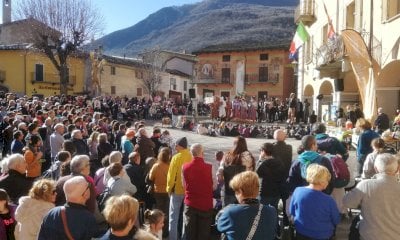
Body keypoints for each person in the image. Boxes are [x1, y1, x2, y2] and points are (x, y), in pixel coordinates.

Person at [343, 153, 400, 240]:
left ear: (376, 169)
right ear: (397, 169)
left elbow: (348, 202)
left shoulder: (365, 185)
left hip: (369, 236)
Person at [217, 171, 277, 240]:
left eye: (235, 191)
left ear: (240, 191)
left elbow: (219, 226)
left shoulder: (230, 212)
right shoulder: (272, 211)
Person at [290, 164, 340, 240]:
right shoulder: (328, 200)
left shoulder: (297, 191)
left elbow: (292, 211)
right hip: (323, 235)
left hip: (301, 232)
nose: (328, 182)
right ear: (322, 181)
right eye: (327, 180)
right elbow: (336, 220)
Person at [182, 143, 214, 240]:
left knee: (190, 233)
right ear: (202, 153)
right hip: (205, 204)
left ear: (192, 154)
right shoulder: (210, 167)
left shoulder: (184, 167)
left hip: (190, 203)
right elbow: (214, 186)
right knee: (203, 234)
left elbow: (184, 185)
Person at [166, 137, 192, 240]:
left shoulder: (176, 157)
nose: (175, 147)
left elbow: (171, 175)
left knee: (173, 217)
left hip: (176, 190)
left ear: (180, 146)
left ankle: (172, 238)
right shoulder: (191, 156)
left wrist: (168, 189)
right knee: (185, 217)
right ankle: (183, 237)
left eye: (176, 145)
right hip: (188, 191)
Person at [148, 147, 170, 237]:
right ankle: (165, 232)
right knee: (167, 211)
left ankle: (158, 231)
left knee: (159, 211)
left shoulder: (156, 166)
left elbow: (150, 178)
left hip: (158, 191)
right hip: (168, 191)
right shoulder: (170, 166)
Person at [256, 143, 286, 210]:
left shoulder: (264, 163)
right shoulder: (279, 162)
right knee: (274, 211)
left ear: (263, 151)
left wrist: (260, 160)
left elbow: (257, 173)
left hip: (264, 192)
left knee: (260, 212)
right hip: (276, 192)